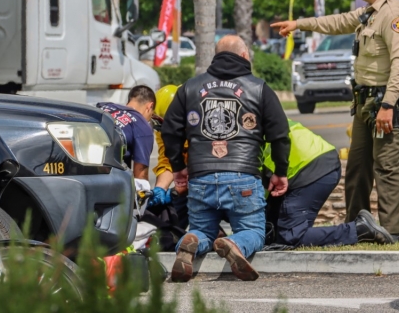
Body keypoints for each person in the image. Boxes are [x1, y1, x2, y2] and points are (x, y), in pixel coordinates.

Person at [271, 0, 399, 243]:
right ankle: (356, 229)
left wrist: (388, 106)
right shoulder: (371, 13)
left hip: (383, 103)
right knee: (358, 169)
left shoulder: (394, 15)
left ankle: (393, 232)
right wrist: (299, 24)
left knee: (385, 166)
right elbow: (338, 22)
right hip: (364, 103)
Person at [162, 35, 290, 282]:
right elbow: (280, 135)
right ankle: (235, 243)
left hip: (200, 177)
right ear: (244, 56)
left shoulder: (189, 87)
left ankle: (191, 242)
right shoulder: (259, 88)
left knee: (202, 230)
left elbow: (170, 130)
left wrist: (178, 168)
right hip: (243, 176)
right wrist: (280, 171)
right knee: (253, 231)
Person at [264, 119, 393, 249]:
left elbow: (254, 194)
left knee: (290, 237)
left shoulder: (247, 141)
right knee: (272, 233)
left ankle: (360, 229)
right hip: (317, 160)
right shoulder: (256, 112)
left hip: (312, 169)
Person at [149, 84, 189, 230]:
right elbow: (167, 160)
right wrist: (160, 188)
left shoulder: (198, 126)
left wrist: (180, 187)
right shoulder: (163, 131)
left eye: (162, 123)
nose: (161, 129)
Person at [97, 85, 155, 180]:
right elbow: (140, 177)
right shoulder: (143, 126)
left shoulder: (105, 107)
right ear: (150, 106)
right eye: (151, 115)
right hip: (107, 178)